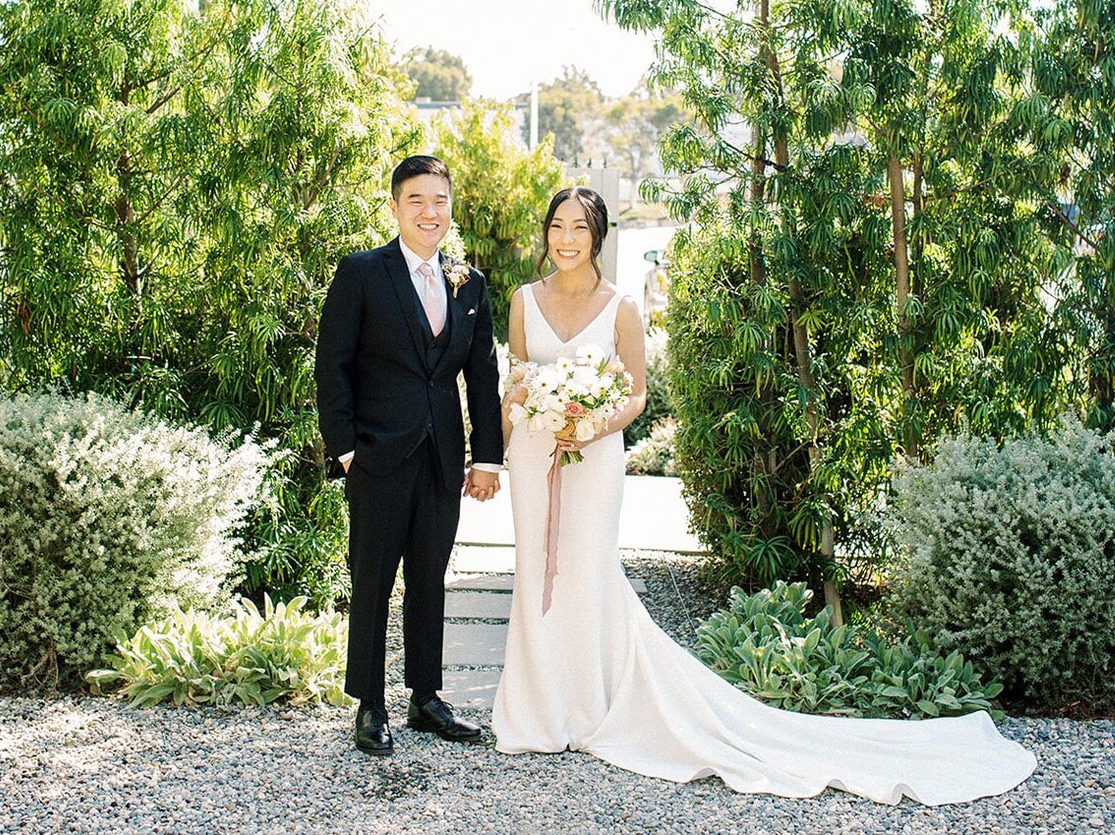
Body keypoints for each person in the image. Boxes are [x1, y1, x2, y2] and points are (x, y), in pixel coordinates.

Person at [491, 186, 1037, 805]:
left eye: (579, 228)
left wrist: (592, 422)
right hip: (534, 457)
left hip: (593, 454)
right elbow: (517, 380)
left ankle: (589, 709)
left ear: (598, 236)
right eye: (557, 226)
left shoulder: (619, 307)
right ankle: (537, 711)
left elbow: (637, 394)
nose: (566, 239)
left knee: (586, 573)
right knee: (535, 571)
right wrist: (492, 456)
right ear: (547, 233)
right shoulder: (521, 300)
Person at [316, 155, 503, 757]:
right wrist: (345, 450)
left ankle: (426, 697)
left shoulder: (469, 283)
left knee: (430, 577)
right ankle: (370, 702)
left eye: (440, 200)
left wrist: (487, 458)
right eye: (416, 199)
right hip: (376, 455)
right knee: (372, 578)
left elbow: (481, 375)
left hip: (443, 458)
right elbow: (333, 367)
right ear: (395, 206)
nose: (430, 211)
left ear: (451, 208)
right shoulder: (362, 273)